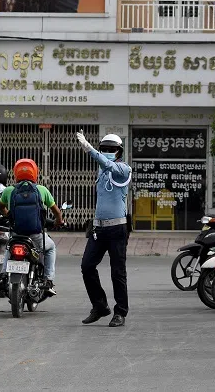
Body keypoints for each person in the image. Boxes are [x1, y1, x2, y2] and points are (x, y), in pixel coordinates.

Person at [76, 131, 132, 327]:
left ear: (119, 151)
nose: (108, 152)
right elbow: (104, 165)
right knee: (86, 266)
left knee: (118, 272)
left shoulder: (124, 169)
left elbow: (108, 164)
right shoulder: (101, 170)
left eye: (112, 149)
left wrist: (89, 148)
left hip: (117, 229)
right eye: (105, 149)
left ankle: (120, 312)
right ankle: (99, 306)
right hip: (99, 229)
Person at [0, 160, 64, 294]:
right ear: (35, 174)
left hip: (17, 234)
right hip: (36, 236)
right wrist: (59, 221)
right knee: (50, 248)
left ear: (15, 173)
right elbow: (57, 212)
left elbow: (1, 208)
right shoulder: (42, 190)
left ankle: (3, 276)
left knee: (9, 248)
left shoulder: (9, 190)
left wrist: (8, 216)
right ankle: (48, 280)